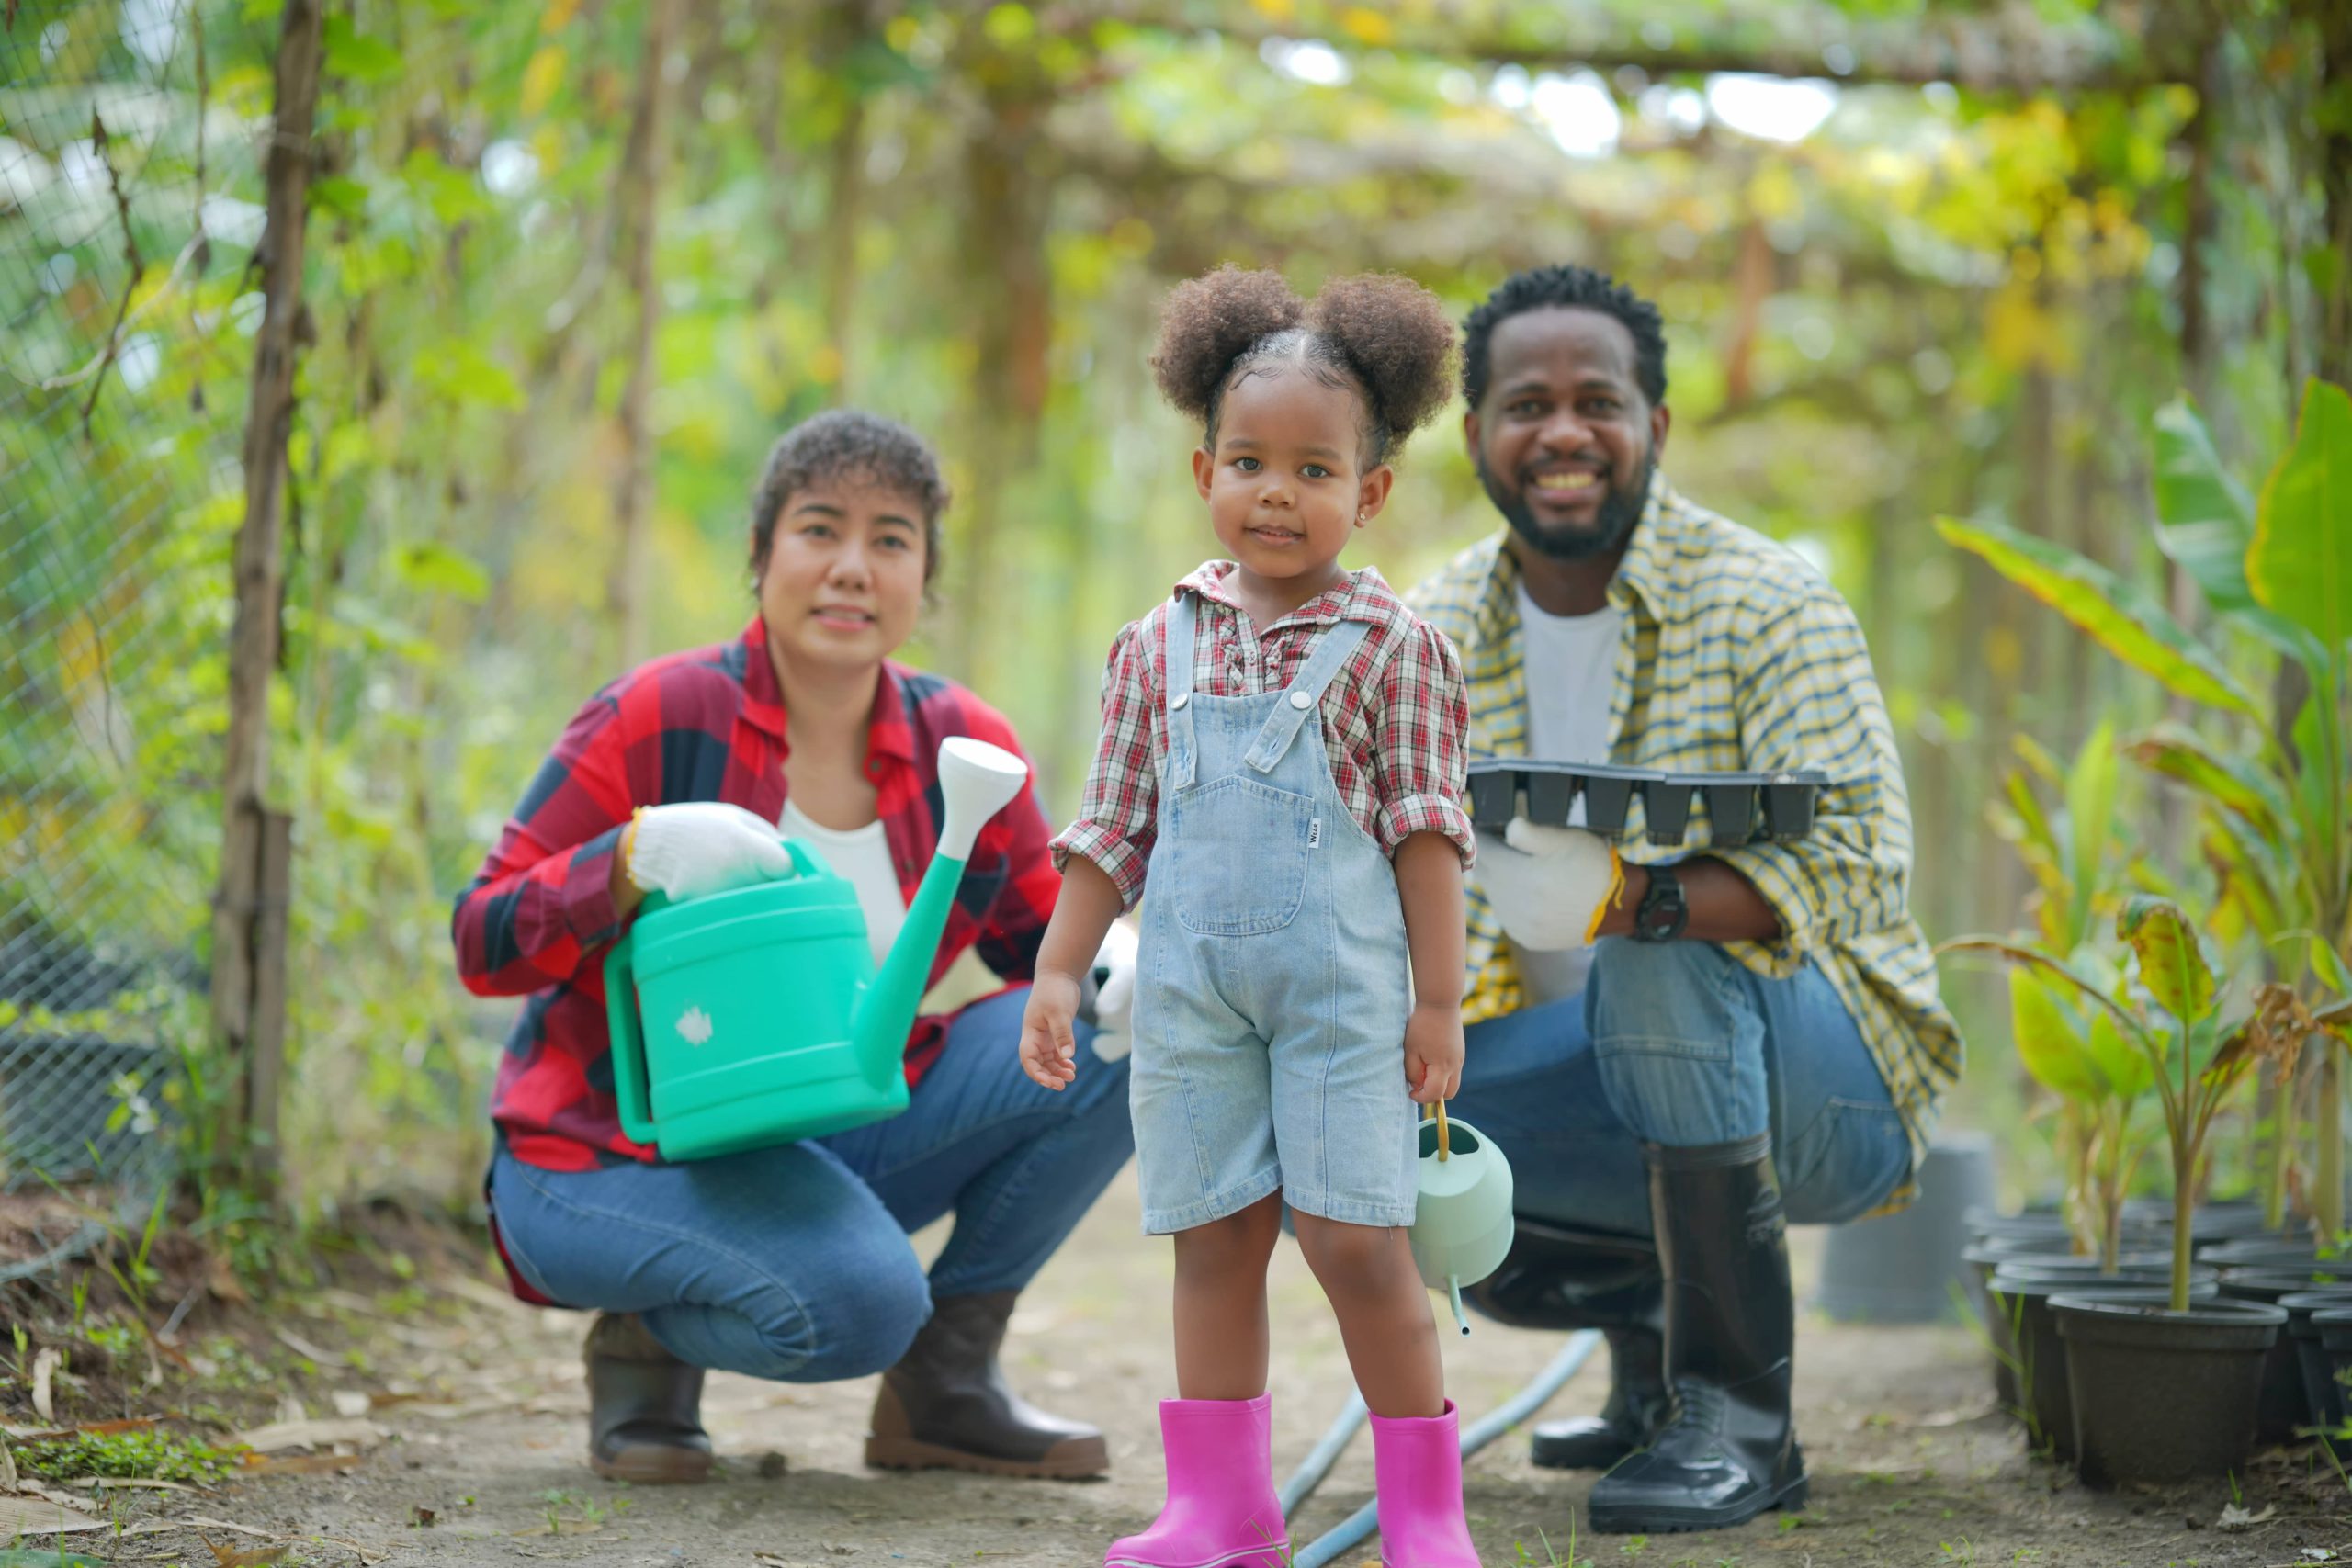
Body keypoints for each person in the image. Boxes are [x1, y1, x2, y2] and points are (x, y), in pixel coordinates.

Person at [452, 410, 1138, 1485]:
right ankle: (644, 1337)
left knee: (1110, 1032)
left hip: (830, 1127)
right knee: (856, 1308)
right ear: (764, 553)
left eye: (892, 540)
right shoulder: (658, 714)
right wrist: (631, 855)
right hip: (611, 1151)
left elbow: (1039, 946)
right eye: (820, 530)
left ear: (924, 576)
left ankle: (944, 1391)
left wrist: (1121, 962)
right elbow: (482, 941)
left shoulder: (965, 748)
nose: (852, 569)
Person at [1417, 265, 1962, 1535]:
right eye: (1525, 402)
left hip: (1831, 1084)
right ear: (1477, 436)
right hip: (1597, 1064)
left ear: (1655, 427)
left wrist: (1625, 891)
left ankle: (1741, 1418)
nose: (1561, 431)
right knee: (1357, 1097)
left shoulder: (1768, 601)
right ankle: (1654, 1360)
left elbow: (1862, 860)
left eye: (1597, 400)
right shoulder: (1426, 629)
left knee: (1654, 944)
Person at [1022, 265, 1481, 1568]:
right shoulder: (1153, 644)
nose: (1276, 491)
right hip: (1188, 993)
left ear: (1370, 490)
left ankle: (1426, 1514)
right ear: (1202, 470)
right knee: (1212, 1231)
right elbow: (1112, 827)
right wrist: (1059, 970)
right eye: (1248, 460)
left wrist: (1438, 1001)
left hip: (1344, 997)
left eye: (1314, 469)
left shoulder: (1397, 647)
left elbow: (1427, 831)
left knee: (1354, 1236)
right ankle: (1219, 1509)